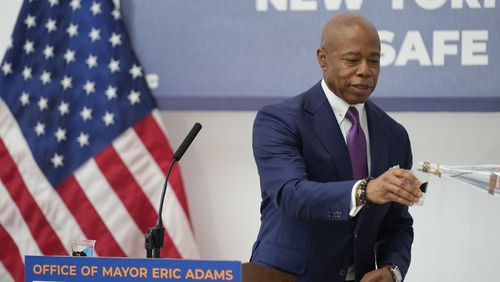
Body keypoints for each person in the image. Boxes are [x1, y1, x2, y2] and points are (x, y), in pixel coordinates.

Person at [249, 12, 423, 282]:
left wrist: (392, 269)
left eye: (374, 61)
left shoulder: (395, 135)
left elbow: (398, 223)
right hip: (285, 276)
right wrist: (365, 190)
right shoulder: (280, 119)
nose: (365, 70)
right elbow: (290, 194)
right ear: (323, 59)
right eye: (352, 60)